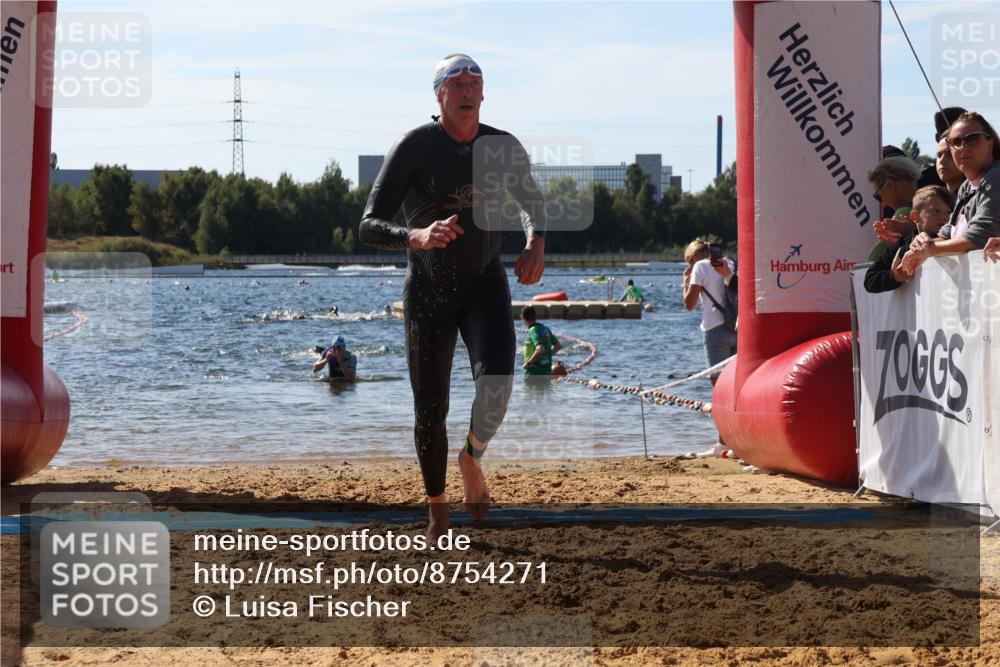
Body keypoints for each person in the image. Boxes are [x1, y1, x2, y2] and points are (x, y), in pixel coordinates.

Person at [358, 53, 545, 538]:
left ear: (483, 95)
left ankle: (471, 457)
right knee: (430, 408)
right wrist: (415, 235)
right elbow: (368, 224)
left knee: (499, 381)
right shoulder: (415, 146)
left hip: (484, 281)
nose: (466, 91)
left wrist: (534, 242)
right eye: (456, 83)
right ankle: (437, 506)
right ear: (439, 95)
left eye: (474, 83)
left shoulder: (503, 147)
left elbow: (531, 202)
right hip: (428, 290)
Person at [903, 111, 1000, 275]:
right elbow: (947, 234)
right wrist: (920, 242)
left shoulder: (996, 178)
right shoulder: (966, 187)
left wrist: (929, 248)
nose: (963, 147)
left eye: (972, 138)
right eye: (956, 142)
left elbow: (979, 237)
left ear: (989, 144)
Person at [682, 239, 737, 457]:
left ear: (693, 257)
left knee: (720, 391)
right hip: (737, 329)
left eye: (689, 261)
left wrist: (686, 281)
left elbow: (689, 304)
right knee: (735, 388)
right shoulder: (729, 263)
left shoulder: (699, 267)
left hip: (715, 331)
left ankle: (723, 443)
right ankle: (738, 442)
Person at [864, 185, 953, 293]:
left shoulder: (953, 239)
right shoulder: (901, 245)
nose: (944, 217)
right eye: (936, 211)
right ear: (914, 216)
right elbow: (869, 280)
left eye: (948, 212)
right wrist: (895, 276)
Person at [867, 156, 921, 260]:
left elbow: (875, 258)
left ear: (890, 185)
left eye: (878, 196)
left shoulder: (904, 212)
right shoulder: (929, 208)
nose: (882, 204)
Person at [520, 306, 562, 376]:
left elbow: (540, 349)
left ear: (522, 318)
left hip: (534, 372)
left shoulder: (533, 330)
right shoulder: (545, 329)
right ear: (535, 317)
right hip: (547, 371)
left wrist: (528, 363)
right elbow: (558, 346)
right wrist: (547, 355)